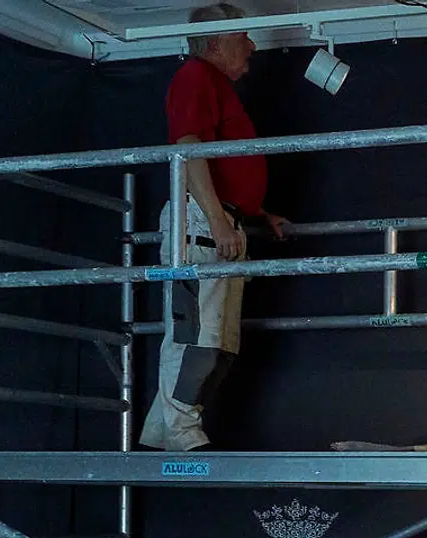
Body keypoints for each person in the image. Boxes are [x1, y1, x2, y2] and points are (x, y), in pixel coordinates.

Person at [139, 3, 288, 452]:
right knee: (197, 337)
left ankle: (162, 431)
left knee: (218, 342)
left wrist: (256, 212)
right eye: (243, 35)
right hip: (205, 221)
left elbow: (218, 163)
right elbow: (188, 150)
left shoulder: (214, 84)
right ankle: (180, 429)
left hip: (221, 220)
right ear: (218, 42)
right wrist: (221, 221)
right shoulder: (195, 77)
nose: (252, 45)